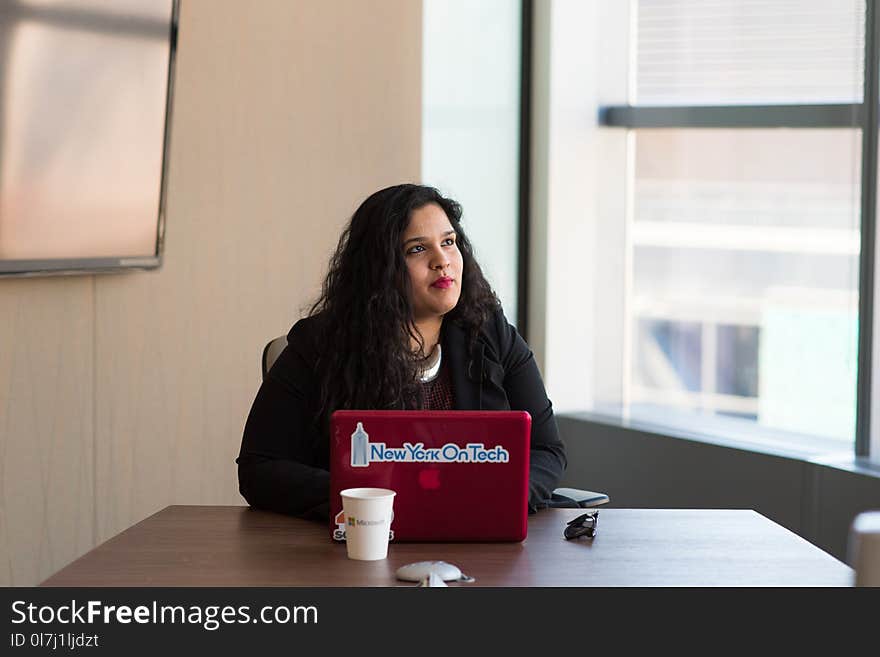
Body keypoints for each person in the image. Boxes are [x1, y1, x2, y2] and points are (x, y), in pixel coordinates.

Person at [236, 184, 566, 520]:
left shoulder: (491, 333)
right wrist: (367, 499)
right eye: (417, 249)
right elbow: (259, 468)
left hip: (478, 539)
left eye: (449, 242)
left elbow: (546, 451)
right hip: (366, 543)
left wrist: (497, 496)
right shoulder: (321, 345)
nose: (442, 261)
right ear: (379, 269)